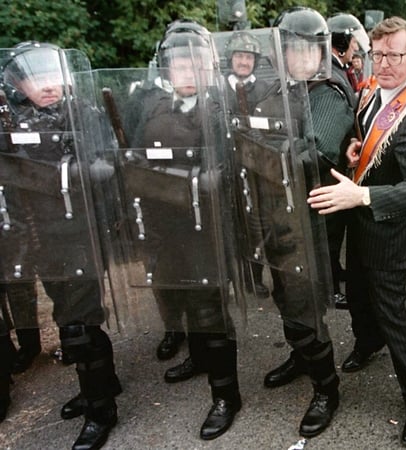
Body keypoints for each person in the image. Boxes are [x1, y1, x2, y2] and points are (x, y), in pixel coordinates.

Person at [307, 16, 406, 447]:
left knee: (395, 317)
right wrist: (354, 148)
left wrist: (363, 198)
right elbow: (370, 144)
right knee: (361, 299)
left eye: (393, 55)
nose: (382, 63)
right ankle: (367, 345)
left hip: (387, 232)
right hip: (361, 227)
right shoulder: (375, 95)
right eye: (377, 54)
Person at [118, 22, 241, 440]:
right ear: (166, 68)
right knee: (183, 294)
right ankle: (200, 357)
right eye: (178, 64)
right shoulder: (151, 105)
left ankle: (226, 394)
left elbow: (237, 167)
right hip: (164, 220)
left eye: (195, 63)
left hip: (206, 224)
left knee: (210, 306)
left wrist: (216, 177)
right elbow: (133, 152)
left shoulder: (223, 107)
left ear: (209, 66)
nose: (187, 71)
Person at [0, 41, 122, 450]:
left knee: (79, 324)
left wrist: (92, 169)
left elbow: (109, 164)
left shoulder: (82, 113)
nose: (48, 86)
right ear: (18, 83)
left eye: (53, 75)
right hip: (42, 238)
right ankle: (100, 384)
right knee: (68, 312)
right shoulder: (13, 124)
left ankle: (101, 408)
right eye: (36, 78)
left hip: (82, 233)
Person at [249, 7, 350, 437]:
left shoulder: (328, 92)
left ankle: (326, 386)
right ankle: (299, 354)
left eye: (310, 49)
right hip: (272, 213)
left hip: (308, 219)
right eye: (293, 48)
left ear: (323, 51)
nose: (302, 57)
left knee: (305, 307)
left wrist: (259, 146)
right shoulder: (277, 90)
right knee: (285, 298)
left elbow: (317, 153)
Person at [223, 30, 272, 302]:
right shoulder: (215, 90)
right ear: (230, 59)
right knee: (228, 223)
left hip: (256, 167)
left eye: (248, 57)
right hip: (225, 166)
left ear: (256, 60)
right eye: (239, 56)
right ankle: (231, 279)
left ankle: (254, 277)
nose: (243, 61)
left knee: (257, 223)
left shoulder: (264, 90)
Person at [325, 12, 368, 309]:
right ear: (341, 41)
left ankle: (333, 273)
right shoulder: (330, 72)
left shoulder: (338, 68)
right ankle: (328, 289)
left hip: (340, 162)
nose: (355, 48)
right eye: (353, 42)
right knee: (328, 233)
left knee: (334, 231)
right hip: (331, 167)